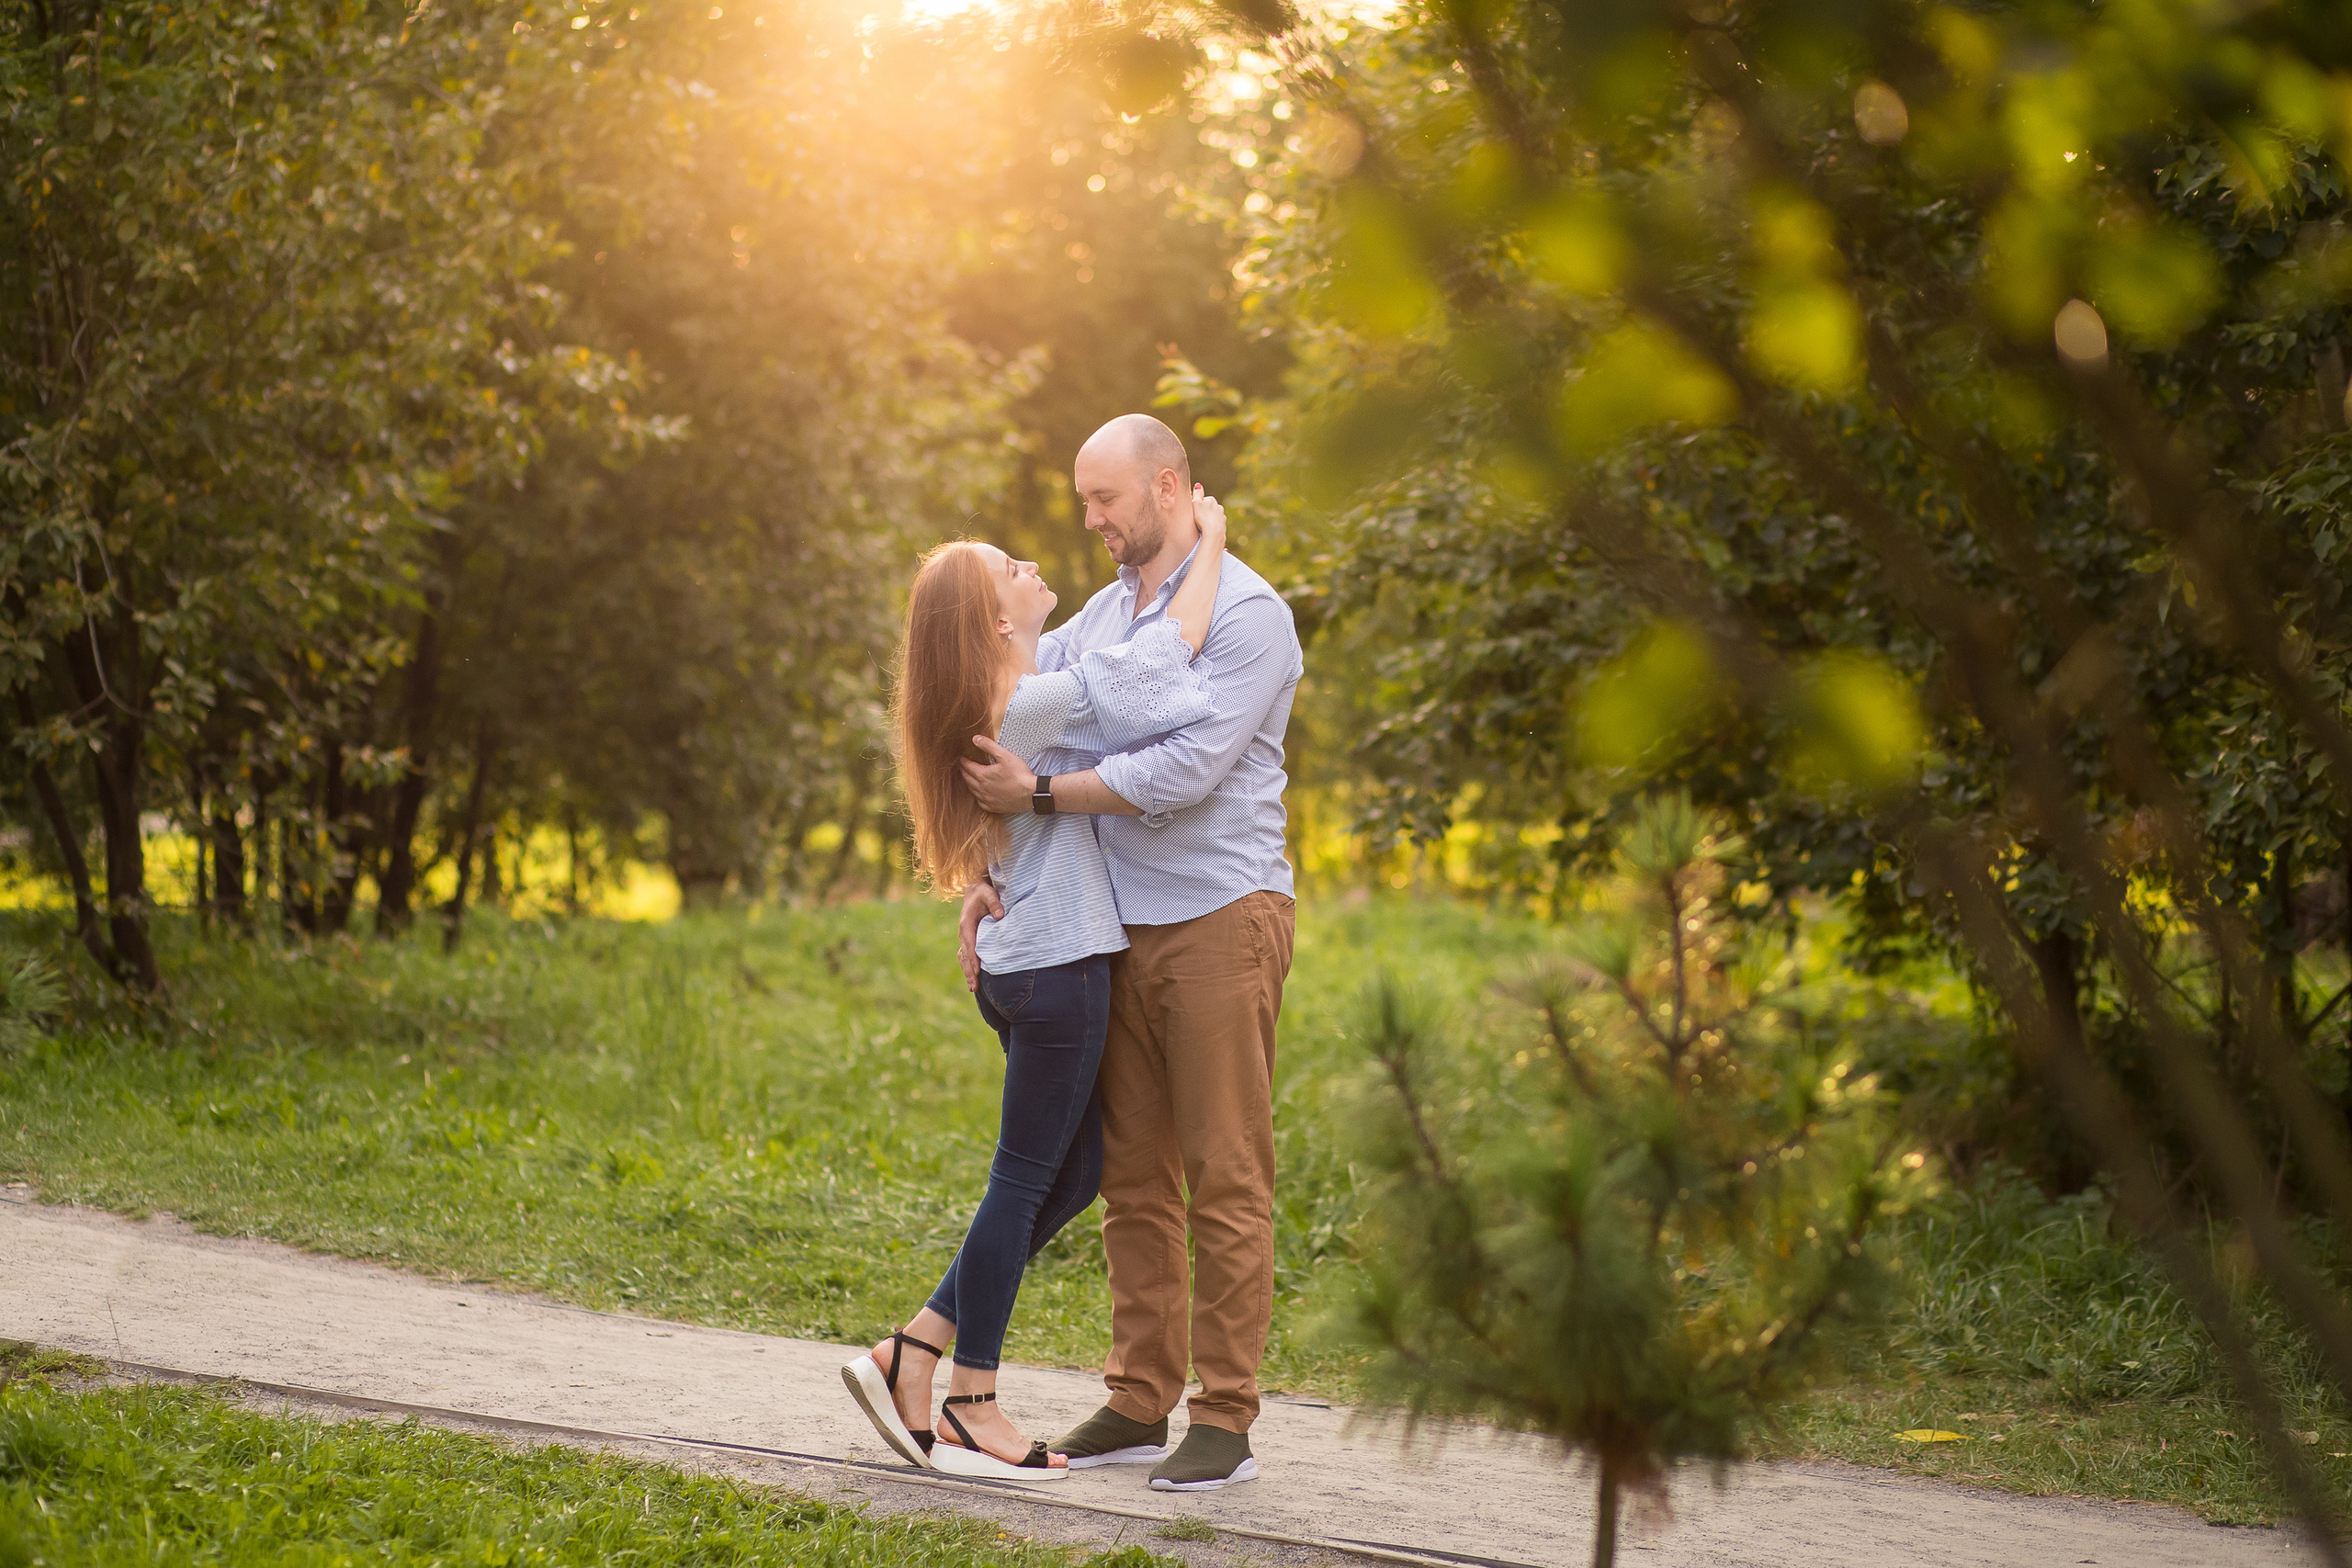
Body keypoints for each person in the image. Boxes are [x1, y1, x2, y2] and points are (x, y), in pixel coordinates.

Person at [841, 494, 1229, 1483]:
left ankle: (915, 1346)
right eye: (1010, 566)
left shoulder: (1006, 693)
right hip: (1057, 972)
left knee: (1079, 1167)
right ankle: (971, 1395)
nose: (1030, 564)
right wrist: (1212, 544)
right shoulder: (1020, 699)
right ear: (995, 623)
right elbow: (1158, 666)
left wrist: (983, 881)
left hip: (1026, 968)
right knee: (1023, 1180)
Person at [959, 413, 1302, 1493]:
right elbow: (1021, 708)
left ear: (1168, 488)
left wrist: (1044, 796)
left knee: (1224, 1170)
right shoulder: (1108, 615)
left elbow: (1183, 770)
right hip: (1112, 928)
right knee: (1136, 1179)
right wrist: (989, 859)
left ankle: (1227, 1418)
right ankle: (1139, 1397)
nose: (1091, 521)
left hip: (1218, 919)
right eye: (1083, 502)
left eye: (1104, 499)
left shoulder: (1249, 614)